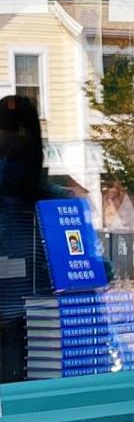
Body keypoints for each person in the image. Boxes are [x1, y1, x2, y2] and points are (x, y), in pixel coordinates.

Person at [0, 95, 67, 382]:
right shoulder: (51, 200)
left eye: (23, 131)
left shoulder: (53, 201)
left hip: (41, 327)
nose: (15, 140)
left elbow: (78, 267)